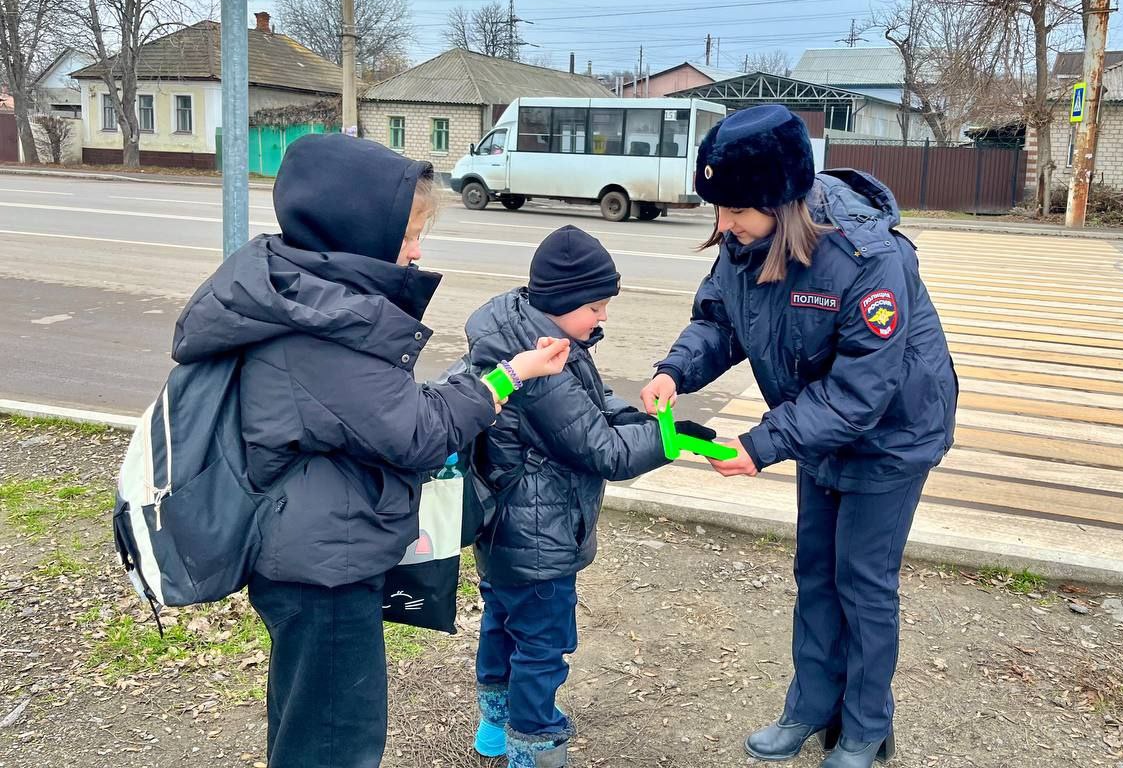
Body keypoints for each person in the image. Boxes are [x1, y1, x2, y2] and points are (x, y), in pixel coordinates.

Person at [170, 134, 570, 768]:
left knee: (308, 724)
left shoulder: (304, 298)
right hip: (323, 569)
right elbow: (419, 432)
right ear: (357, 230)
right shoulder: (321, 332)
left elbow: (383, 413)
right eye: (407, 235)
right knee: (336, 742)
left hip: (311, 552)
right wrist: (508, 377)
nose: (416, 251)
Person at [640, 105, 957, 768]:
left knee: (863, 583)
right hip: (817, 430)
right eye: (718, 209)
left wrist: (761, 444)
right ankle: (811, 706)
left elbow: (861, 392)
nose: (723, 224)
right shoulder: (742, 241)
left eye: (736, 211)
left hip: (890, 437)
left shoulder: (867, 258)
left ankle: (865, 728)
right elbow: (719, 320)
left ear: (781, 204)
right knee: (815, 571)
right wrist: (675, 370)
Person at [464, 224, 686, 768]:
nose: (602, 317)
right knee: (542, 645)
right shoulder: (540, 369)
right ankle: (533, 744)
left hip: (503, 529)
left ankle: (493, 727)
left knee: (501, 623)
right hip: (540, 536)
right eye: (595, 306)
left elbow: (592, 403)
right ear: (562, 301)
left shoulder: (528, 333)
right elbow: (604, 451)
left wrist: (641, 419)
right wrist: (671, 439)